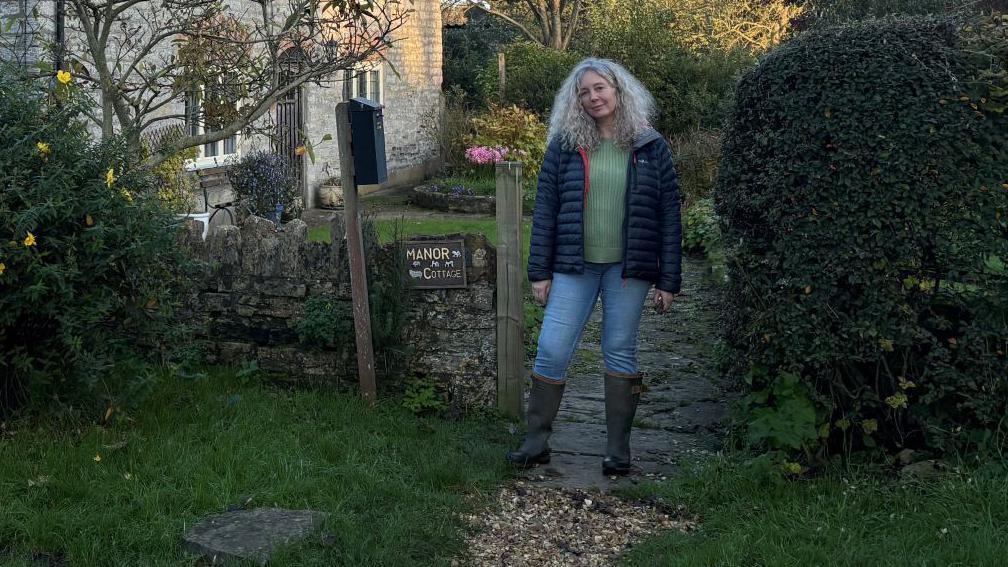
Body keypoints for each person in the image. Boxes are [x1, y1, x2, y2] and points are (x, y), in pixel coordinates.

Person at [506, 58, 682, 476]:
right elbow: (546, 210)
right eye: (583, 92)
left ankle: (617, 451)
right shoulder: (565, 146)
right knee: (551, 349)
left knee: (619, 350)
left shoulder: (649, 145)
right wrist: (540, 272)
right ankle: (536, 444)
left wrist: (668, 280)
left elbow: (669, 215)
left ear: (619, 90)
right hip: (573, 266)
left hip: (628, 269)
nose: (593, 97)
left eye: (600, 88)